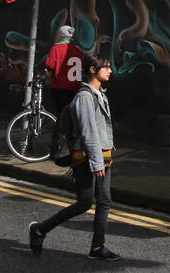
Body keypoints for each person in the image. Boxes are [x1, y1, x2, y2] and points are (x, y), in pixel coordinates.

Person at [28, 55, 120, 260]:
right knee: (84, 203)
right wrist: (97, 162)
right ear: (93, 70)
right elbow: (88, 133)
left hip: (104, 157)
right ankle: (40, 229)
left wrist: (104, 157)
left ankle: (97, 247)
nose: (110, 70)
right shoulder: (85, 98)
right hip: (88, 159)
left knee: (104, 201)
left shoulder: (99, 95)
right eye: (106, 67)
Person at [43, 24, 86, 116]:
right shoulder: (78, 51)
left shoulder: (56, 49)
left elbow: (50, 67)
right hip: (75, 87)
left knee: (61, 113)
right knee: (72, 113)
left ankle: (62, 129)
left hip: (59, 87)